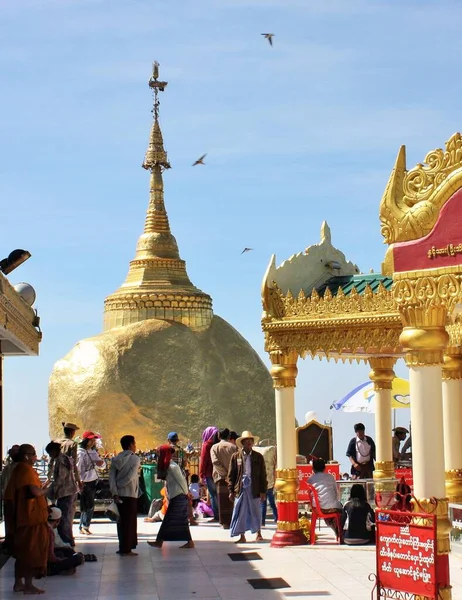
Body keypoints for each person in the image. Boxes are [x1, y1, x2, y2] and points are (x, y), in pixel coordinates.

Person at [4, 444, 50, 594]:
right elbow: (34, 491)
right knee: (31, 552)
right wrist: (46, 490)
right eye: (33, 454)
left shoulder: (17, 470)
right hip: (30, 519)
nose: (36, 457)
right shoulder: (26, 470)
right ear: (26, 456)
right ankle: (28, 585)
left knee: (22, 551)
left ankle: (18, 583)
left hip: (21, 518)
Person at [148, 445, 194, 549]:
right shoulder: (168, 465)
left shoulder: (172, 466)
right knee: (180, 521)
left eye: (160, 453)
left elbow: (181, 481)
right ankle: (189, 542)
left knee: (169, 519)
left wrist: (187, 493)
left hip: (179, 496)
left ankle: (159, 541)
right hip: (176, 495)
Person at [228, 430, 267, 543]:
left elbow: (263, 475)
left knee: (256, 510)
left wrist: (263, 490)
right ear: (243, 443)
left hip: (254, 487)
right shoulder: (236, 457)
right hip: (241, 488)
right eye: (247, 440)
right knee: (240, 511)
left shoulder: (258, 457)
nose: (249, 442)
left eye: (251, 440)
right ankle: (242, 536)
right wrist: (231, 490)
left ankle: (258, 533)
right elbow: (231, 475)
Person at [109, 434, 141, 556]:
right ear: (131, 445)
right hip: (130, 494)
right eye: (134, 443)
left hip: (119, 495)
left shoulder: (116, 459)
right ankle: (127, 549)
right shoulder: (135, 459)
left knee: (121, 522)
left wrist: (115, 491)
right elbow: (131, 476)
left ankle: (122, 546)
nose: (135, 446)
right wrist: (120, 485)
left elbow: (111, 478)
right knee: (130, 522)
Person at [45, 441, 78, 546]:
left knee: (64, 520)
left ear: (54, 451)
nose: (50, 456)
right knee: (66, 518)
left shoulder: (61, 460)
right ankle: (67, 541)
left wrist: (51, 490)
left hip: (66, 492)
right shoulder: (64, 458)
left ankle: (67, 542)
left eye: (50, 453)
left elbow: (60, 478)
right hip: (68, 492)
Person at [77, 431, 105, 535]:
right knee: (87, 504)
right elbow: (77, 468)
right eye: (91, 440)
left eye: (94, 440)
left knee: (88, 504)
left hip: (93, 480)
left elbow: (102, 465)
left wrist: (101, 463)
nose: (93, 442)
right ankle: (84, 526)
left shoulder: (93, 452)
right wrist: (79, 481)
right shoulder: (80, 453)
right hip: (84, 481)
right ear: (86, 440)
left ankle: (84, 526)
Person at [308, 458, 342, 534]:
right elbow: (336, 492)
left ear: (313, 469)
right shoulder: (330, 477)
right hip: (333, 507)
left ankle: (335, 528)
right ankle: (339, 530)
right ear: (324, 468)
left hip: (317, 508)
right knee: (341, 510)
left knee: (327, 512)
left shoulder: (310, 479)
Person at [210, 427, 236, 529]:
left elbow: (215, 462)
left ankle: (224, 522)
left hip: (220, 477)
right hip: (232, 477)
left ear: (219, 436)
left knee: (222, 500)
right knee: (231, 498)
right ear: (229, 436)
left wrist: (224, 475)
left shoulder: (214, 447)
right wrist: (230, 475)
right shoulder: (233, 447)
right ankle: (232, 521)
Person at [47, 507, 84, 576]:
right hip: (45, 563)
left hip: (43, 558)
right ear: (58, 521)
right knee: (78, 558)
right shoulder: (50, 531)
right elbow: (51, 557)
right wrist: (61, 560)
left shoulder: (44, 526)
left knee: (63, 552)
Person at [1, 445, 20, 552]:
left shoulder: (21, 468)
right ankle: (10, 542)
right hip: (8, 498)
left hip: (17, 499)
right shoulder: (8, 468)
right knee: (9, 521)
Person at [254, 444, 278, 526]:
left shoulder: (259, 458)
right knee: (272, 503)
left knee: (263, 504)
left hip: (263, 485)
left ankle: (262, 522)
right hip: (270, 484)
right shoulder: (271, 454)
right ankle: (276, 518)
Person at [199, 426, 219, 521]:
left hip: (209, 473)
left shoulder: (206, 445)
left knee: (213, 495)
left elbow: (203, 461)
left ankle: (216, 516)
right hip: (219, 473)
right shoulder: (219, 444)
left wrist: (201, 474)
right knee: (220, 493)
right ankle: (223, 514)